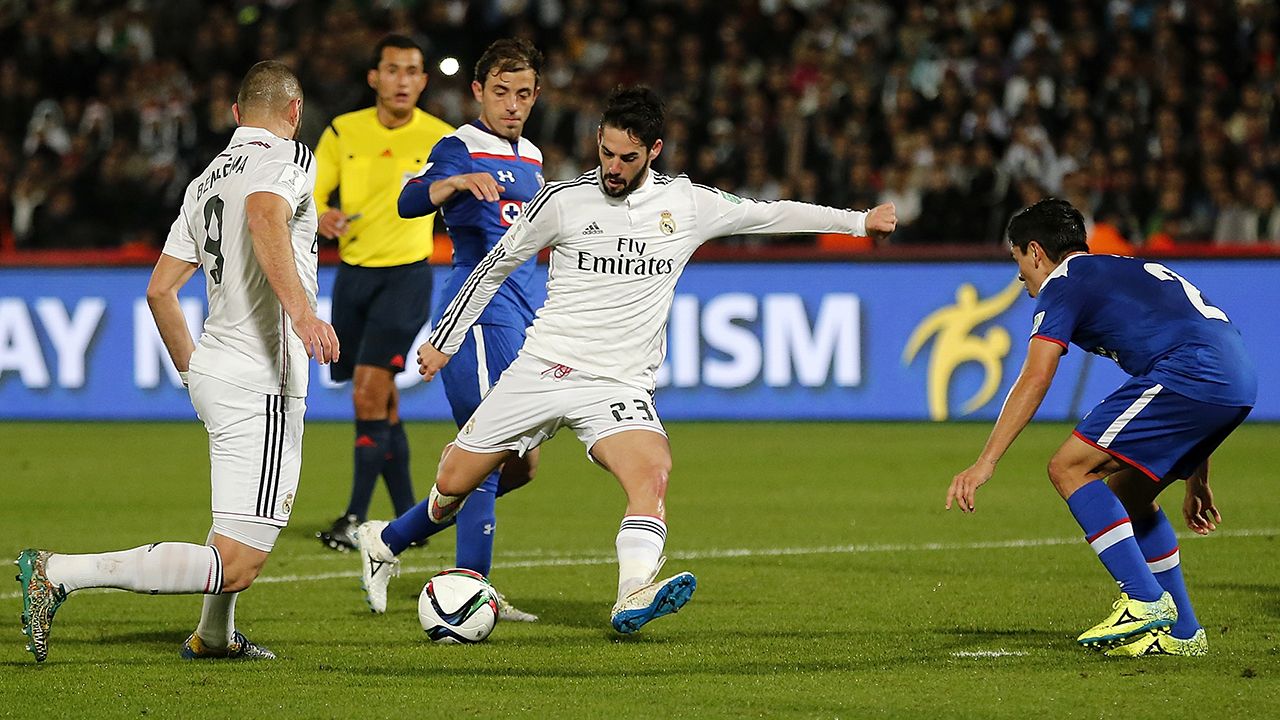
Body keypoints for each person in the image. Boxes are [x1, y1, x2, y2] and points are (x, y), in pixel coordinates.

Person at [405, 86, 896, 633]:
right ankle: (391, 539)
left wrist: (857, 222)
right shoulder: (563, 200)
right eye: (607, 153)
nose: (613, 168)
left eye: (628, 158)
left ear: (654, 150)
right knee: (452, 483)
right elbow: (495, 265)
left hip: (615, 384)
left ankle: (632, 594)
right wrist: (445, 340)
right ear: (598, 140)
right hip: (541, 367)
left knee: (652, 473)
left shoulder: (686, 204)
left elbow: (770, 213)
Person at [15, 61, 338, 663]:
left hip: (216, 369)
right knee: (239, 563)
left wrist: (192, 374)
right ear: (294, 113)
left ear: (237, 114)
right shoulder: (291, 159)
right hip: (262, 379)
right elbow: (265, 215)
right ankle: (57, 572)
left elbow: (160, 290)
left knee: (232, 524)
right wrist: (302, 315)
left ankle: (214, 637)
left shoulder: (204, 181)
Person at [946, 197, 1256, 657]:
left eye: (1017, 260)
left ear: (1035, 252)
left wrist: (985, 462)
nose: (1019, 275)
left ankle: (1145, 598)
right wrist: (1197, 477)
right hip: (1233, 380)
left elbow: (1036, 375)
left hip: (1192, 374)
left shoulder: (1064, 282)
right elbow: (1192, 343)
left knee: (1069, 467)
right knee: (1129, 494)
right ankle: (1184, 634)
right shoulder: (1119, 270)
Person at [354, 39, 545, 622]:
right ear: (478, 92)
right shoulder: (460, 146)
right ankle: (470, 587)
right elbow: (412, 199)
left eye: (524, 94)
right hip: (475, 315)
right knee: (486, 450)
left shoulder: (533, 156)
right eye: (502, 92)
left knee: (522, 464)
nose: (513, 105)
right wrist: (455, 185)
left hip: (523, 321)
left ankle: (388, 539)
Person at [313, 35, 453, 551]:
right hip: (352, 277)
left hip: (407, 276)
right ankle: (410, 519)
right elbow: (310, 190)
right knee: (383, 403)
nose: (402, 80)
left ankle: (354, 518)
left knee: (368, 392)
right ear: (374, 77)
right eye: (392, 70)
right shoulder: (342, 131)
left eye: (412, 71)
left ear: (423, 80)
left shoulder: (443, 140)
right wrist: (321, 213)